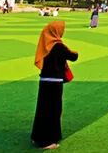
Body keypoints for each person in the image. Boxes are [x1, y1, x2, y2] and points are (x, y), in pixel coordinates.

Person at [31, 21, 78, 149]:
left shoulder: (45, 44)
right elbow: (73, 56)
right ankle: (46, 141)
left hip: (44, 80)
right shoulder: (58, 46)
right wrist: (73, 51)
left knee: (42, 108)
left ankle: (37, 136)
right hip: (54, 82)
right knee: (53, 110)